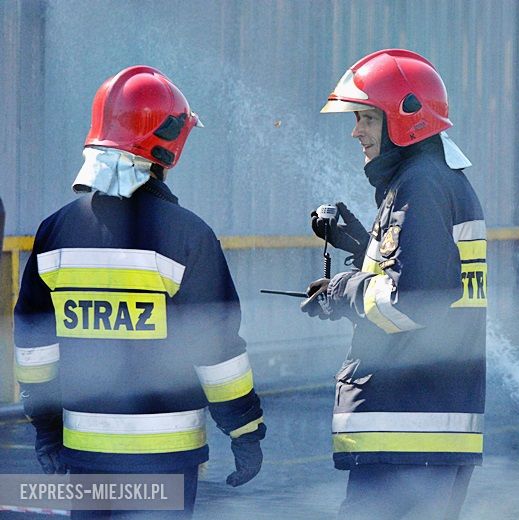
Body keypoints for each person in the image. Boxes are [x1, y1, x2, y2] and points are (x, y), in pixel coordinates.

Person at [13, 66, 265, 518]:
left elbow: (34, 349)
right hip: (166, 461)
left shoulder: (54, 231)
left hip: (83, 454)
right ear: (168, 145)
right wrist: (244, 429)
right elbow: (218, 350)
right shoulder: (188, 235)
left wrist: (46, 428)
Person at [302, 49, 487, 519]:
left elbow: (414, 302)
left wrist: (342, 289)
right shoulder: (437, 180)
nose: (356, 130)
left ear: (405, 119)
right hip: (428, 427)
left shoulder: (419, 185)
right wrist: (362, 243)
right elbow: (426, 273)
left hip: (407, 432)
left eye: (366, 117)